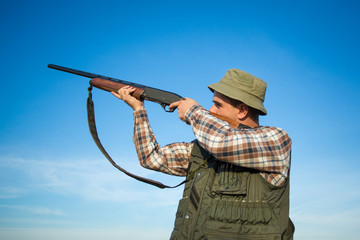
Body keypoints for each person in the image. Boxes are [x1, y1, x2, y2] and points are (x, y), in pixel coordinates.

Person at [112, 69, 295, 240]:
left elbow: (221, 143)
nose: (211, 110)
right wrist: (138, 110)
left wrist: (192, 111)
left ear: (242, 110)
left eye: (217, 104)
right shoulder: (202, 149)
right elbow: (151, 158)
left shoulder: (276, 140)